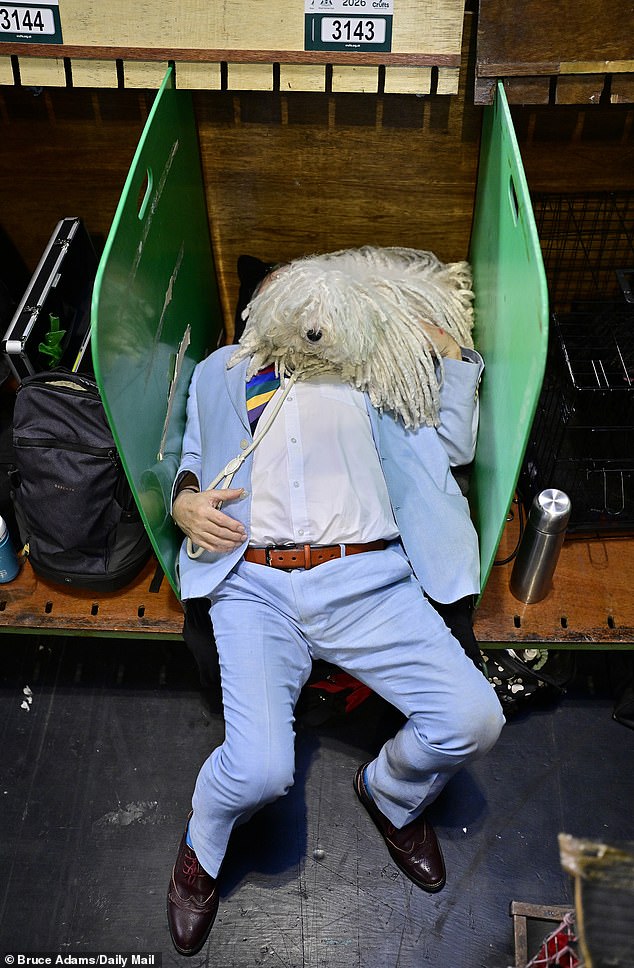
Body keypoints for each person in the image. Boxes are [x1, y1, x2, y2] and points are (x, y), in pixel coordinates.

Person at [166, 246, 505, 956]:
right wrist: (185, 503)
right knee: (259, 769)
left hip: (368, 581)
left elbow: (450, 445)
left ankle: (390, 793)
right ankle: (202, 844)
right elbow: (188, 453)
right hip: (251, 583)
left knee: (474, 720)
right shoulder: (224, 371)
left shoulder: (373, 374)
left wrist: (451, 356)